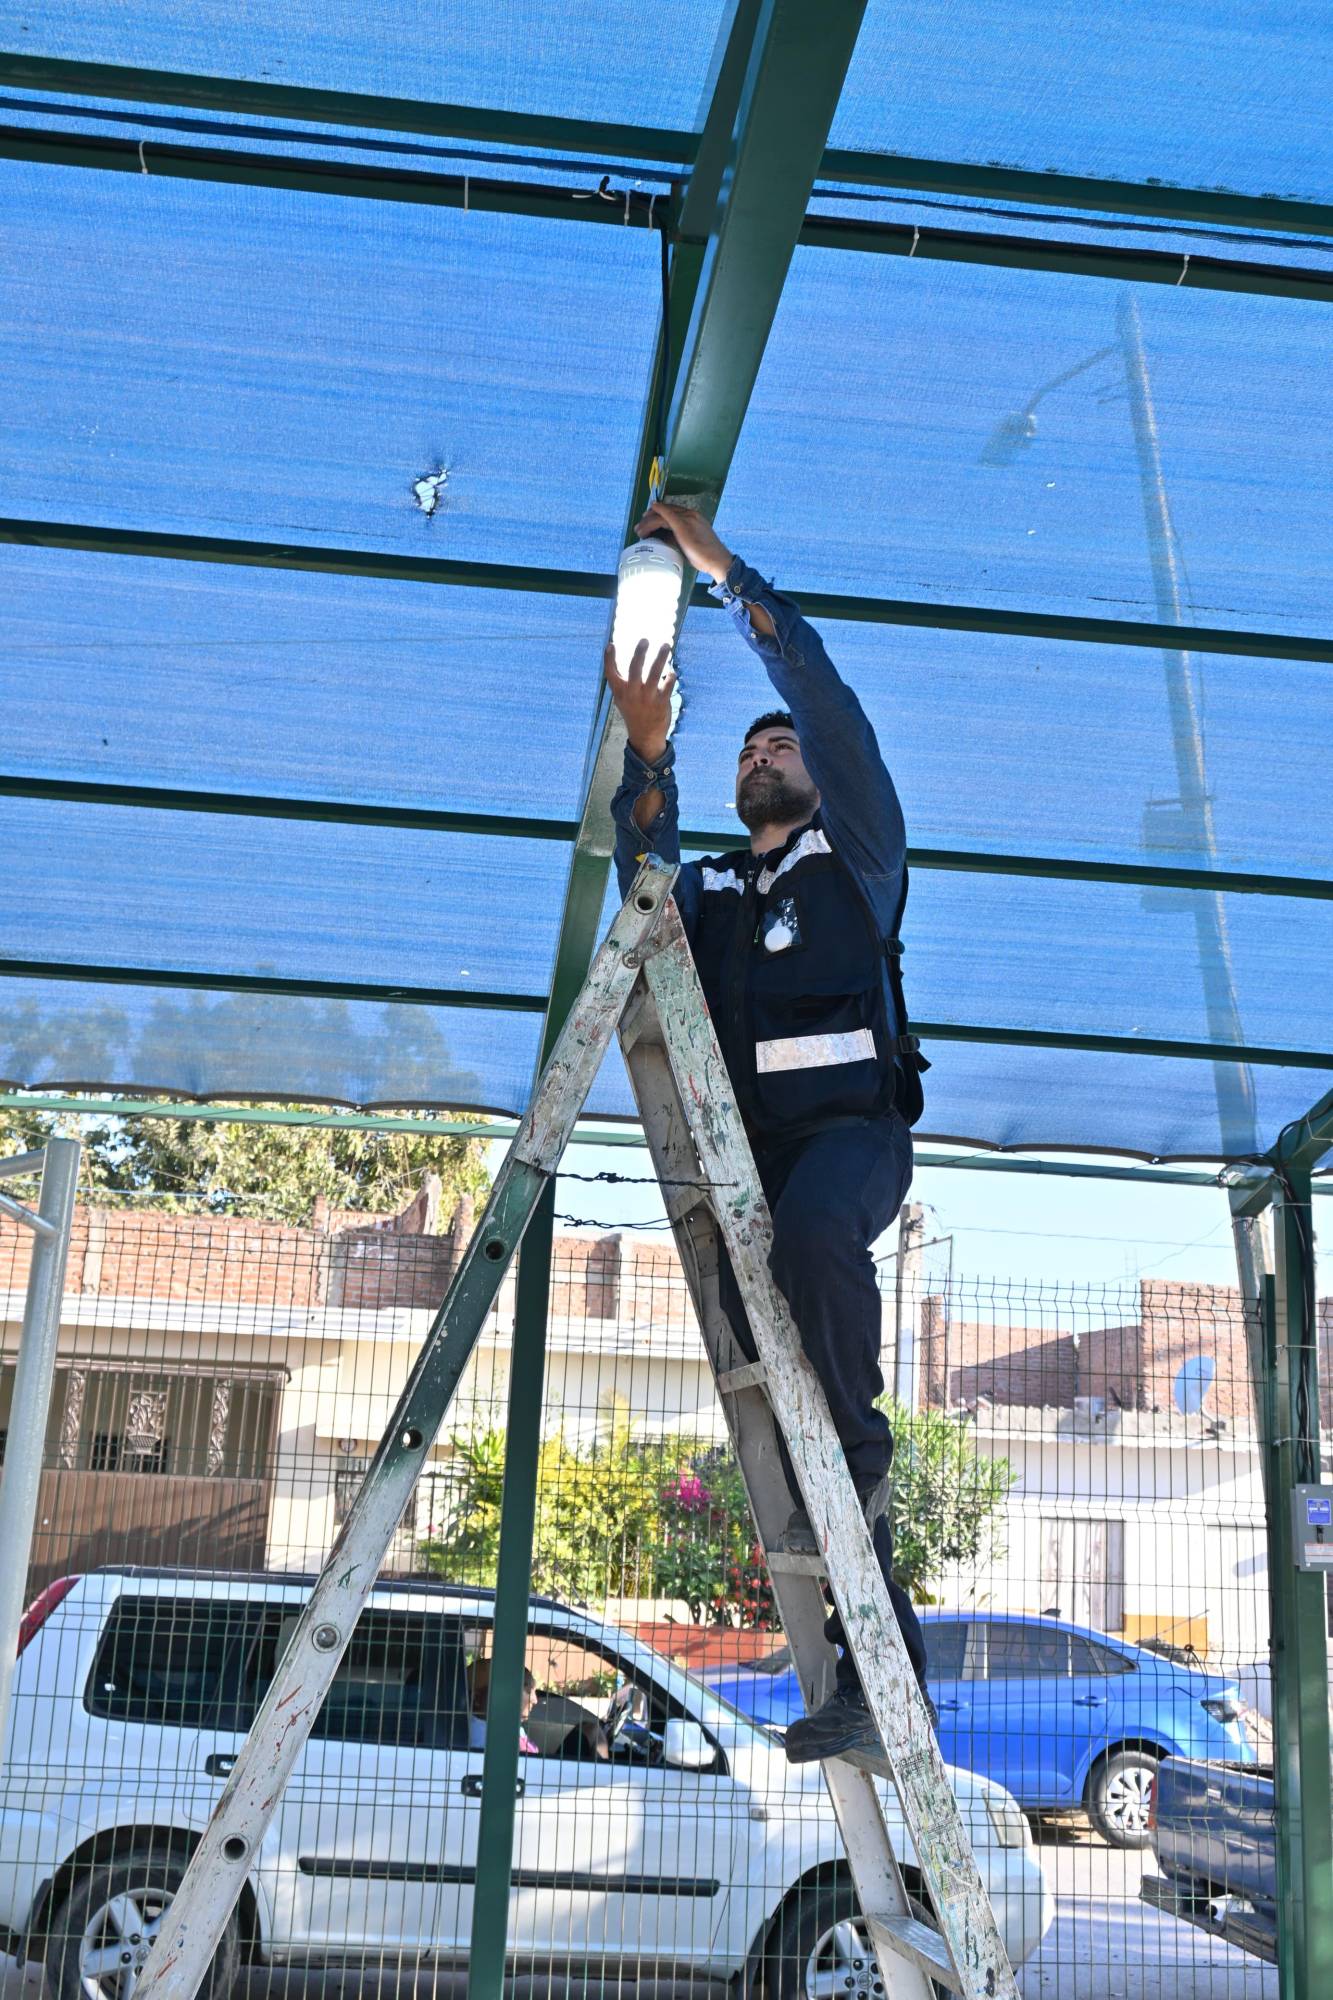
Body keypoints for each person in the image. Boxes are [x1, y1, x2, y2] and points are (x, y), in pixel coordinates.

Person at [607, 500, 933, 1763]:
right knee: (792, 1416)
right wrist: (650, 757)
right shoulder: (715, 892)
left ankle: (860, 1439)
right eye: (747, 747)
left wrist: (724, 573)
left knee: (813, 1262)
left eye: (778, 742)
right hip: (753, 1172)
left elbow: (829, 703)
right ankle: (874, 1674)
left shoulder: (859, 857)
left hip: (851, 1146)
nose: (765, 750)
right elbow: (644, 897)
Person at [469, 1658, 540, 1755]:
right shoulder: (484, 1737)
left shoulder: (509, 1727)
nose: (535, 1700)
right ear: (477, 1698)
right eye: (527, 1689)